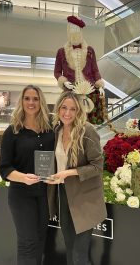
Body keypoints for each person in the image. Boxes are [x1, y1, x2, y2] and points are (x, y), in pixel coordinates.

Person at [46, 91, 107, 265]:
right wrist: (53, 176)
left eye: (73, 109)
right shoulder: (56, 130)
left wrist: (68, 173)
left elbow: (97, 165)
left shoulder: (87, 131)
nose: (67, 113)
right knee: (69, 246)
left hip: (84, 198)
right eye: (64, 108)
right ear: (58, 109)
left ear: (79, 110)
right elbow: (57, 162)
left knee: (80, 253)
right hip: (64, 195)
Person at [0, 84, 55, 265]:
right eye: (27, 98)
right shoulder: (12, 132)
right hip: (21, 195)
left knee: (40, 240)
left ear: (41, 102)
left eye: (35, 98)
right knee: (27, 242)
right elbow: (4, 169)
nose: (31, 102)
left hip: (44, 194)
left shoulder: (49, 131)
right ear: (21, 101)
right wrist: (23, 177)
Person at [54, 15, 105, 124]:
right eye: (71, 29)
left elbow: (95, 69)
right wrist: (64, 82)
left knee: (90, 120)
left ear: (81, 31)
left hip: (89, 89)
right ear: (68, 31)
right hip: (71, 90)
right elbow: (57, 72)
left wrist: (100, 85)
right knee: (69, 118)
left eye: (76, 29)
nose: (74, 32)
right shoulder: (61, 52)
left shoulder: (90, 50)